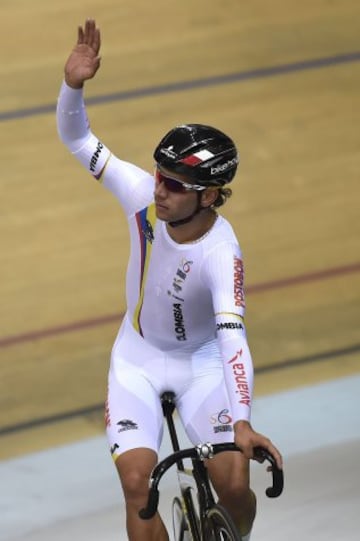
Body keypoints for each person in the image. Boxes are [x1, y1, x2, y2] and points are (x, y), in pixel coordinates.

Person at [56, 19, 283, 541]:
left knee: (234, 484)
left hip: (204, 364)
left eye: (176, 184)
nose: (159, 190)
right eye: (159, 174)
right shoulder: (140, 196)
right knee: (139, 487)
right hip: (138, 357)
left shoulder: (221, 254)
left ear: (210, 195)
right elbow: (77, 138)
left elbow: (232, 340)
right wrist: (73, 84)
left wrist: (242, 422)